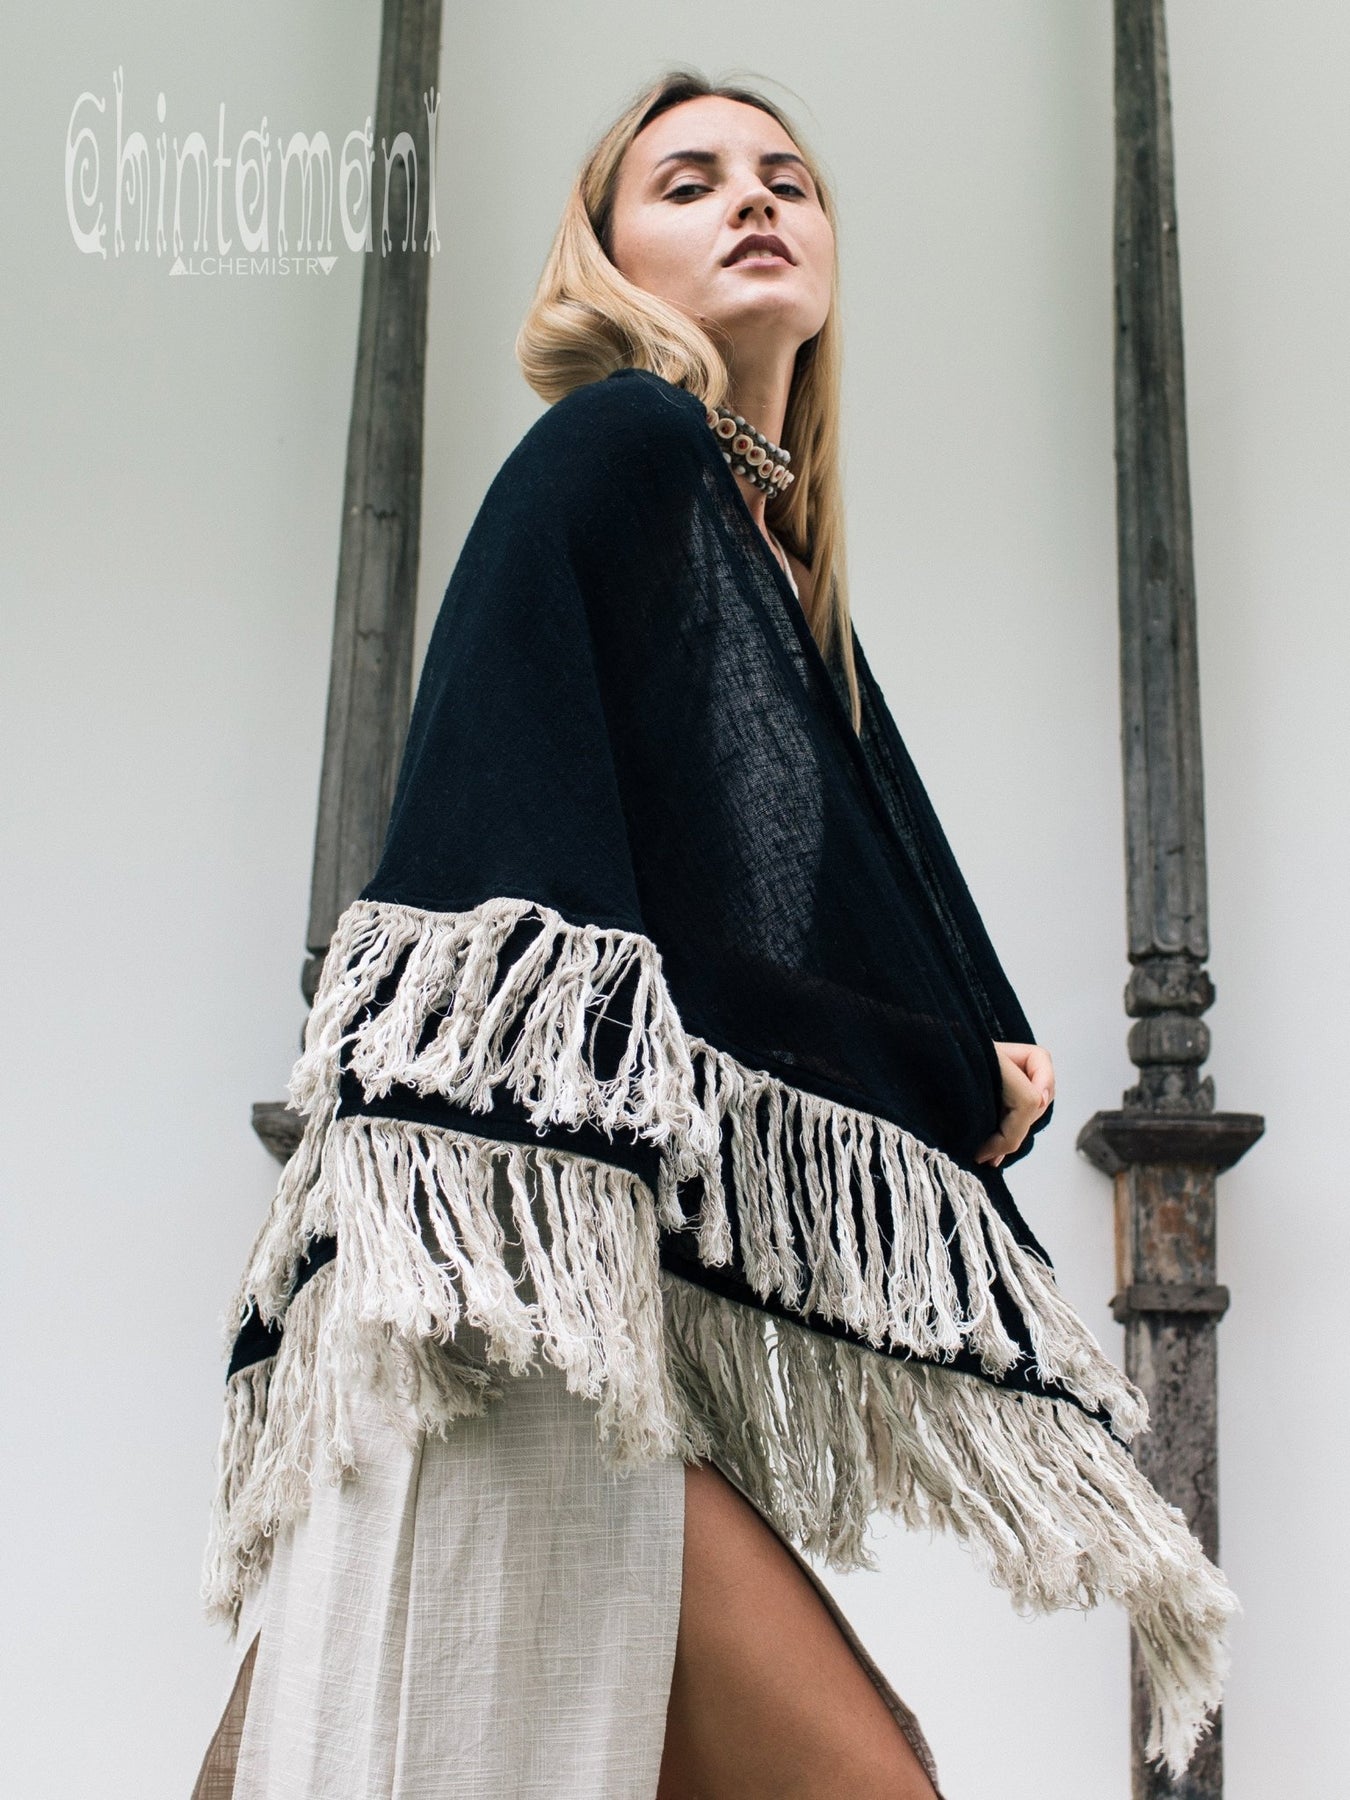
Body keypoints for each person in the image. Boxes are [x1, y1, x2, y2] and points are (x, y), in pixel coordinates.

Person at [191, 70, 1234, 1800]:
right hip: (517, 1335)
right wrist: (927, 1063)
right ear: (604, 258)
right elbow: (537, 947)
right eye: (686, 182)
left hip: (576, 1332)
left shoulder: (760, 547)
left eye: (785, 178)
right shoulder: (631, 445)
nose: (752, 198)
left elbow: (679, 962)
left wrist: (929, 1060)